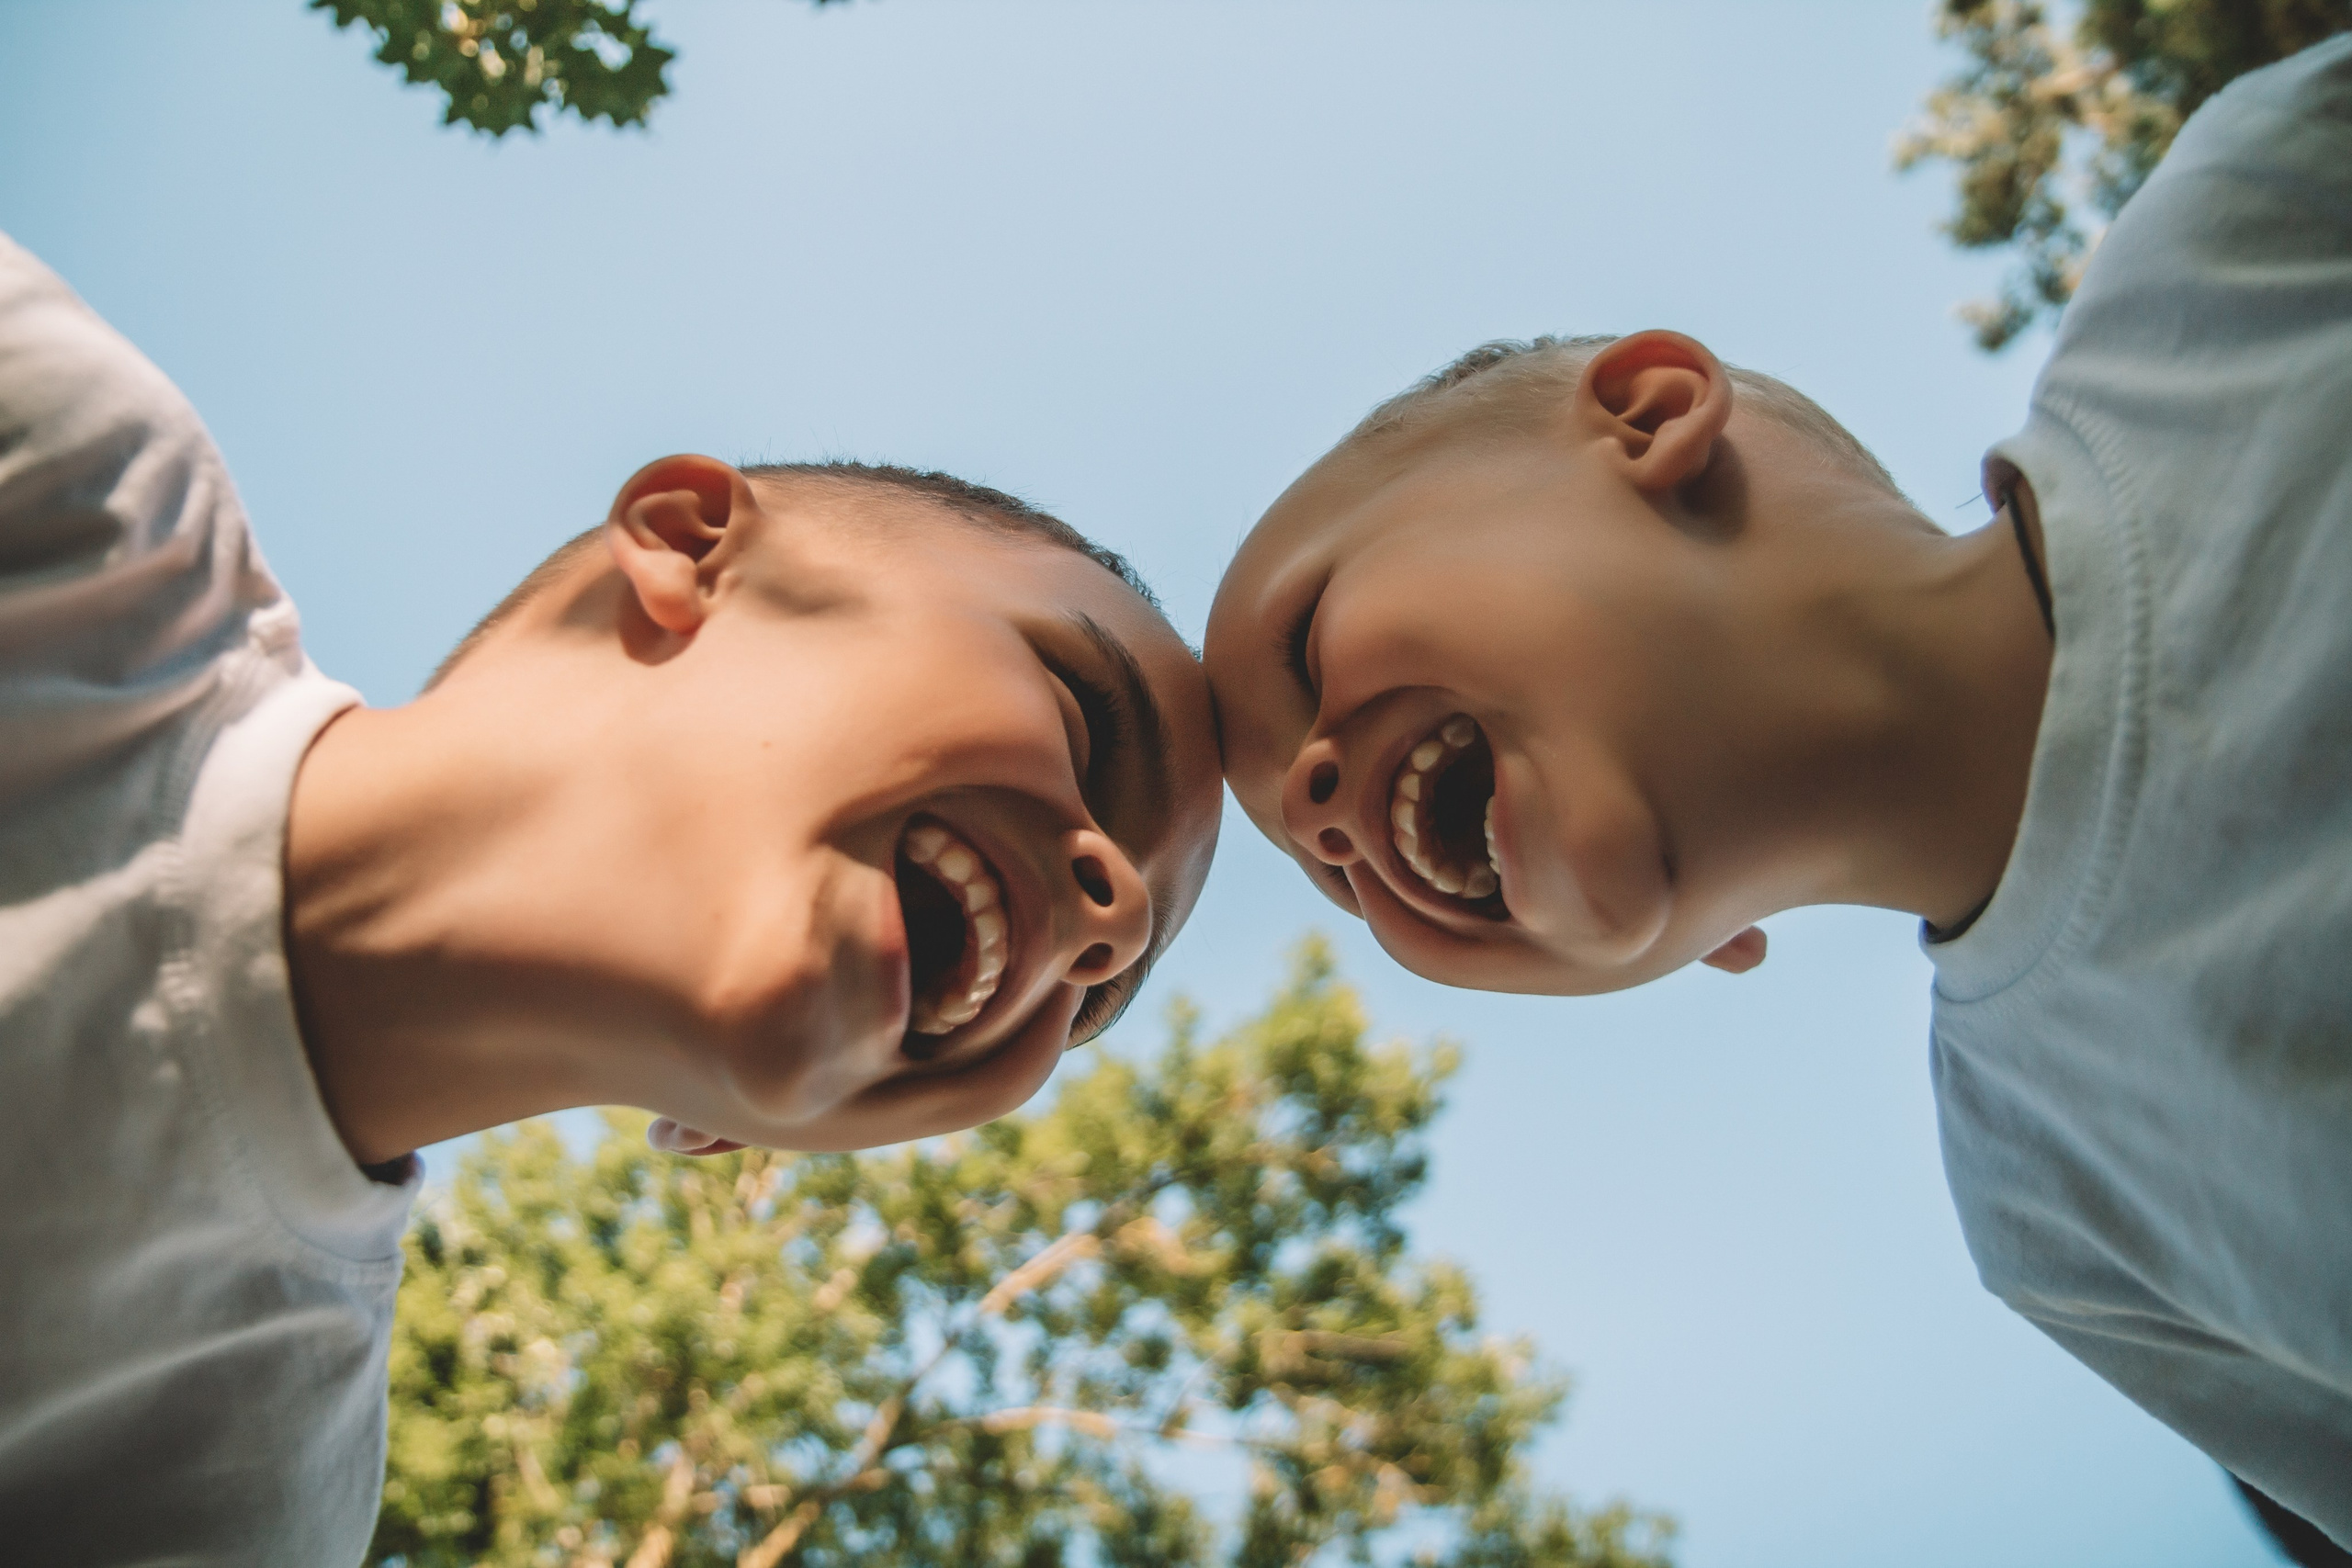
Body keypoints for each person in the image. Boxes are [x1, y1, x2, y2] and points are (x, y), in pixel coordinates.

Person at [1204, 36, 2352, 1545]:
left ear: (1651, 412)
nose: (1321, 805)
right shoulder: (2056, 1223)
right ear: (1693, 955)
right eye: (1328, 880)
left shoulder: (2240, 253)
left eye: (1303, 643)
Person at [0, 233, 1220, 1562]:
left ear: (744, 1140)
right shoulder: (64, 479)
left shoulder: (239, 1507)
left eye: (1097, 997)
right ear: (693, 549)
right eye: (1082, 717)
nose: (1113, 918)